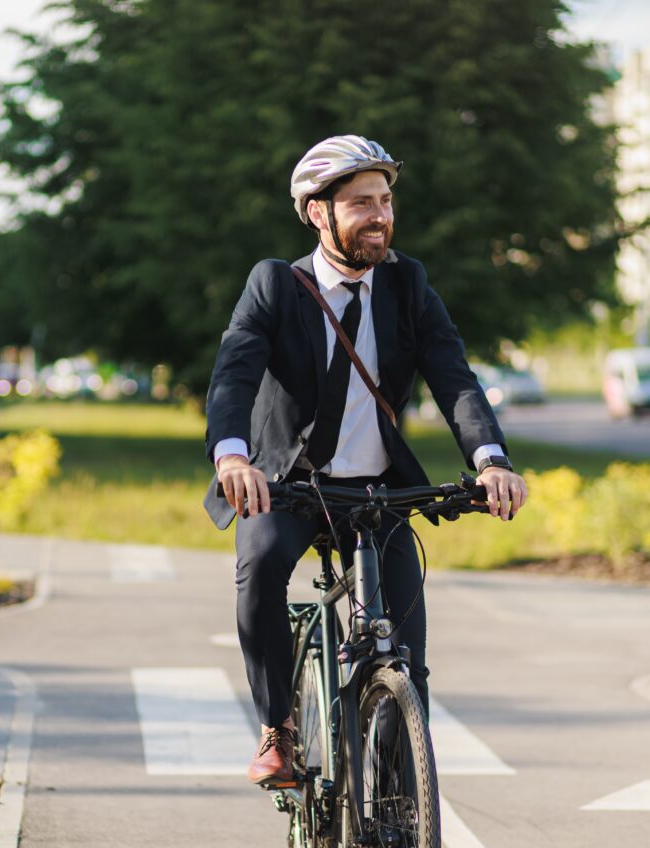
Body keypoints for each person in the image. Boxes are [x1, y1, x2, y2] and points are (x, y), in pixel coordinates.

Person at [203, 136, 529, 786]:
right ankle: (278, 727)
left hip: (378, 493)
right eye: (360, 203)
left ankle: (399, 802)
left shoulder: (407, 284)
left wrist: (490, 459)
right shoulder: (275, 284)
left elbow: (453, 375)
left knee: (405, 656)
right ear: (318, 212)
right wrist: (233, 455)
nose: (379, 215)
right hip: (288, 487)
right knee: (262, 566)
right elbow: (235, 373)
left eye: (385, 200)